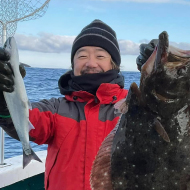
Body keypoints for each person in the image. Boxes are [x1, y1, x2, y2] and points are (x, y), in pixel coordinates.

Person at [0, 19, 156, 190]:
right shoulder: (56, 109)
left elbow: (170, 115)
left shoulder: (135, 105)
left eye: (100, 56)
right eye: (82, 56)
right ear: (73, 64)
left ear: (114, 64)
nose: (90, 63)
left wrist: (159, 71)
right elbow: (22, 121)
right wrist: (4, 99)